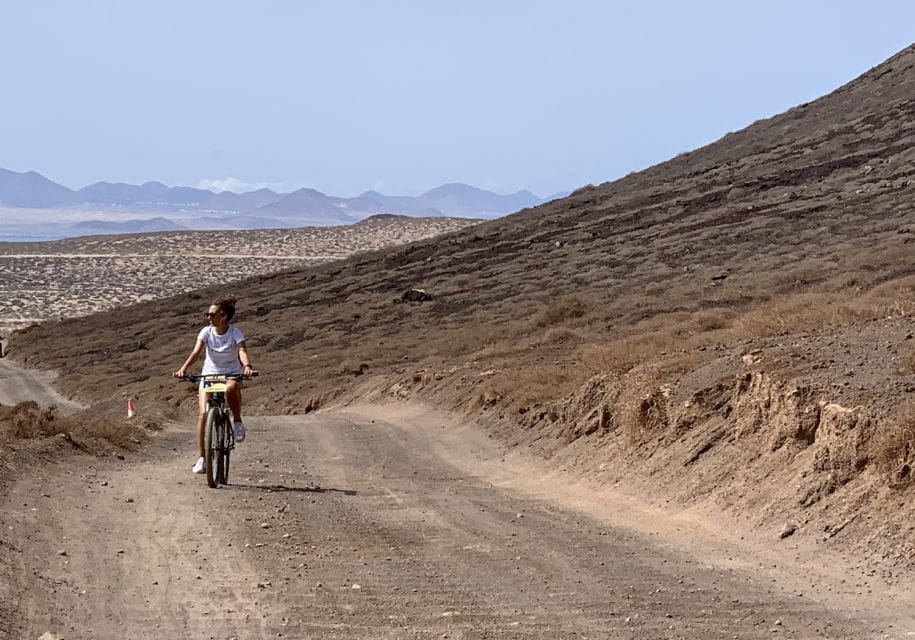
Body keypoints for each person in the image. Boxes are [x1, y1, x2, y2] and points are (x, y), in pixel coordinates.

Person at [174, 297, 254, 474]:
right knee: (203, 414)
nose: (209, 317)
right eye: (208, 314)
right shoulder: (206, 332)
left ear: (223, 316)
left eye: (212, 314)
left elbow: (242, 350)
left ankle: (238, 421)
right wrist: (183, 369)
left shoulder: (235, 333)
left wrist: (247, 366)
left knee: (232, 388)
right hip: (210, 373)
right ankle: (202, 457)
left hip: (230, 372)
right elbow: (196, 353)